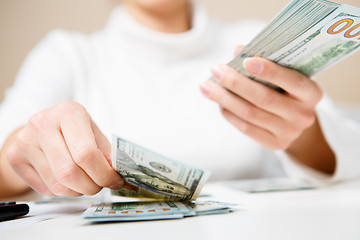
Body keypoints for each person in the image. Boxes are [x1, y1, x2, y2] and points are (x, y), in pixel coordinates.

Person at [0, 0, 359, 198]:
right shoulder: (67, 54)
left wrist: (302, 134)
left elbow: (348, 158)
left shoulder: (253, 43)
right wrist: (22, 148)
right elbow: (6, 161)